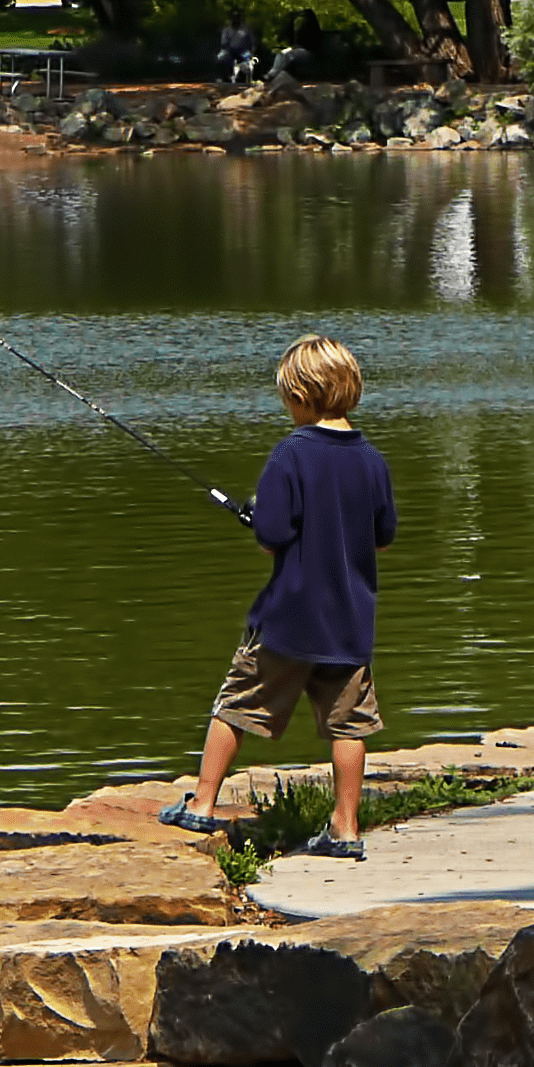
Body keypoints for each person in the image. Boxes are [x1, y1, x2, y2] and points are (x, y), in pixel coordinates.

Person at [159, 335, 397, 859]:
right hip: (349, 622)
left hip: (289, 618)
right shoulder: (372, 460)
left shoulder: (290, 455)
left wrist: (260, 515)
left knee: (235, 705)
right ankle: (346, 829)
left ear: (301, 397)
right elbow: (383, 535)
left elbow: (271, 535)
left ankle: (201, 804)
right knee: (350, 723)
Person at [217, 9, 258, 84]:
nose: (236, 19)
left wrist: (251, 51)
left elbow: (252, 42)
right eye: (234, 17)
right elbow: (224, 42)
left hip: (243, 51)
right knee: (221, 56)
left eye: (237, 17)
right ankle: (224, 77)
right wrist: (230, 50)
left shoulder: (246, 29)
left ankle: (246, 78)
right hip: (230, 50)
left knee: (249, 59)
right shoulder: (227, 30)